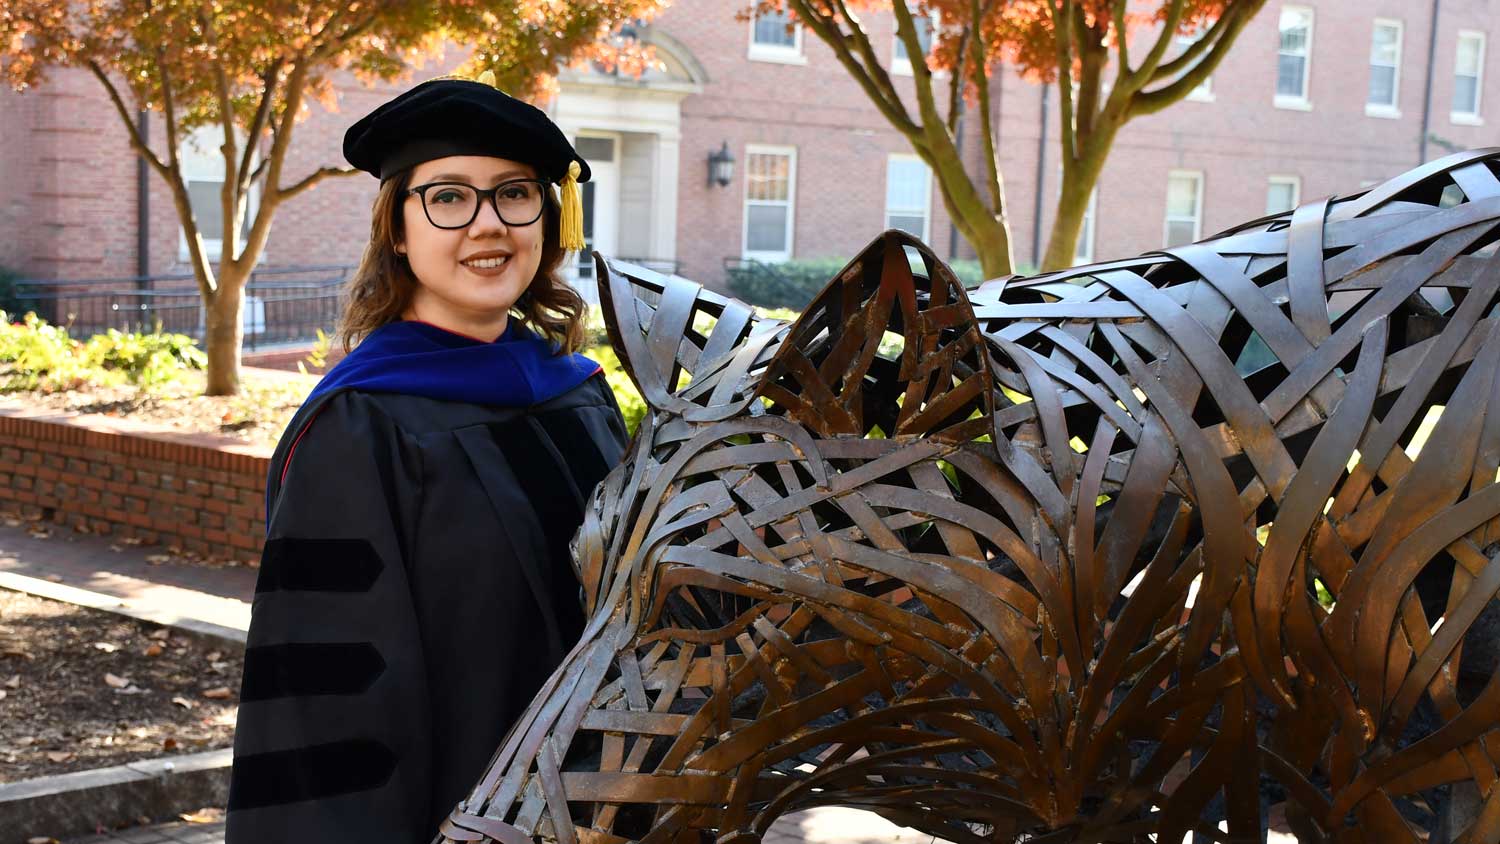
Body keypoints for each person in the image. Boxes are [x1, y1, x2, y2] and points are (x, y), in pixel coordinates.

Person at [224, 71, 629, 843]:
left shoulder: (579, 395)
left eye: (514, 193)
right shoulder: (360, 425)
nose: (489, 226)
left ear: (548, 216)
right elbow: (330, 708)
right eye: (448, 197)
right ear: (398, 230)